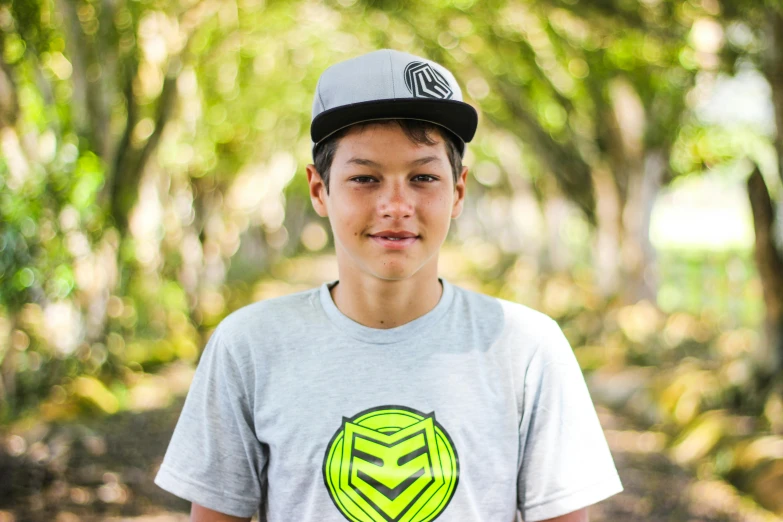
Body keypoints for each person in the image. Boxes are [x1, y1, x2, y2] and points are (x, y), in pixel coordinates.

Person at [154, 48, 623, 522]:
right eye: (364, 178)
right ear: (320, 190)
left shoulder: (527, 349)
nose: (396, 205)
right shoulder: (249, 347)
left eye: (422, 177)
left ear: (457, 191)